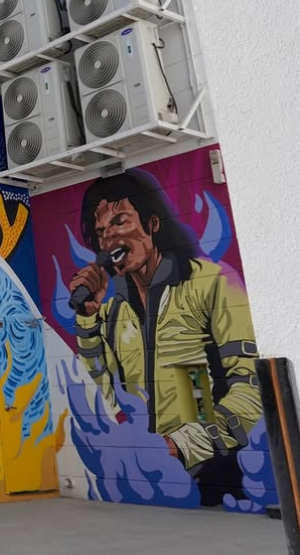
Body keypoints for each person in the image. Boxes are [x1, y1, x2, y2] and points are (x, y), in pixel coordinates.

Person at [67, 169, 263, 505]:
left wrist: (183, 444)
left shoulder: (212, 282)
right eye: (101, 232)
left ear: (153, 224)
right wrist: (87, 319)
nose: (109, 239)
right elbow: (103, 388)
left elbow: (250, 386)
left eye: (120, 222)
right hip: (151, 474)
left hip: (216, 472)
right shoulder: (113, 309)